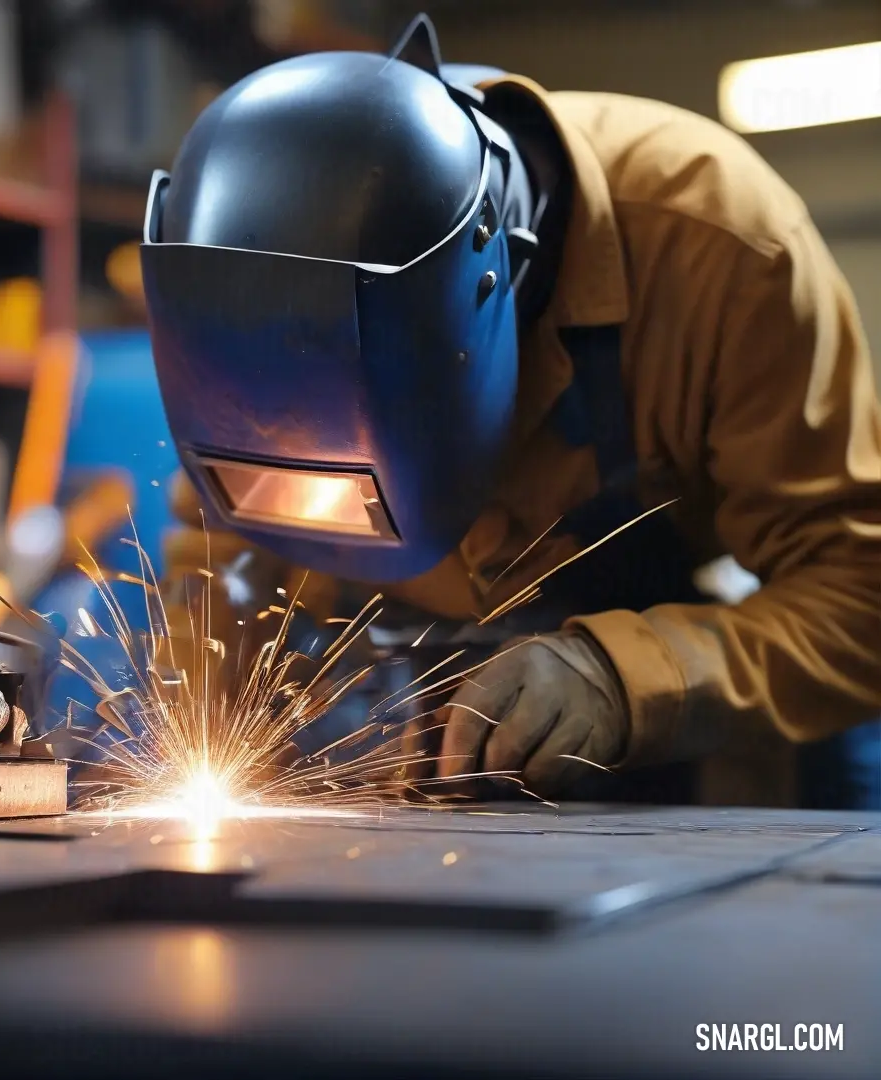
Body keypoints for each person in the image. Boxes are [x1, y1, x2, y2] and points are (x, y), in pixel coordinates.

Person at [140, 15, 881, 806]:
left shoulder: (722, 246)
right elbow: (222, 560)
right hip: (431, 761)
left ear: (489, 286)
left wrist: (623, 680)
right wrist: (205, 696)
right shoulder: (238, 285)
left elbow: (859, 598)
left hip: (689, 760)